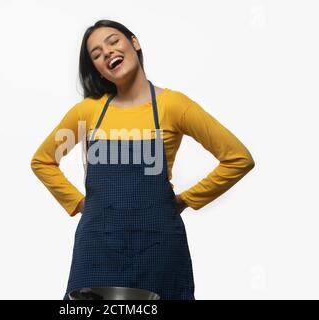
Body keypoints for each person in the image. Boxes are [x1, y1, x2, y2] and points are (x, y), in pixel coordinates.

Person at [31, 19, 255, 300]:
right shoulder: (87, 112)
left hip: (157, 245)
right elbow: (42, 160)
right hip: (98, 246)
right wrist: (78, 203)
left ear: (134, 43)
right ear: (97, 68)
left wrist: (187, 199)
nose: (107, 53)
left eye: (113, 41)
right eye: (97, 54)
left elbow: (238, 158)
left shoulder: (173, 105)